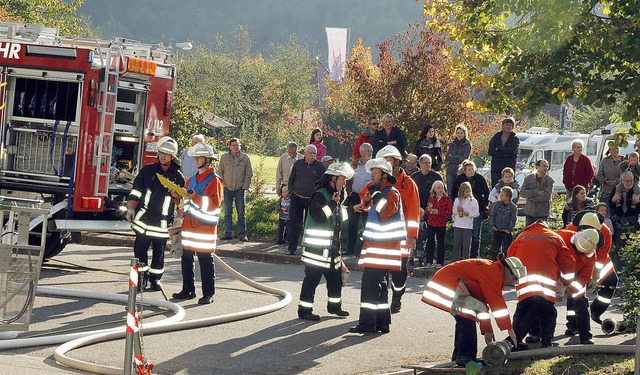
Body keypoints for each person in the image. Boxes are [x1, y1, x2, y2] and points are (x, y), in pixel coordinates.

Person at [421, 257, 525, 367]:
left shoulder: (493, 270)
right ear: (509, 272)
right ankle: (466, 358)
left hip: (450, 285)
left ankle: (459, 356)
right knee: (467, 317)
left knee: (465, 319)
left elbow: (482, 305)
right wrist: (508, 328)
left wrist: (487, 330)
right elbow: (497, 302)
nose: (513, 283)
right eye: (514, 279)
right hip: (447, 285)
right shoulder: (494, 273)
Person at [349, 158, 406, 334]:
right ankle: (382, 323)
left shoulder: (391, 193)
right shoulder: (381, 191)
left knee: (369, 285)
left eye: (375, 173)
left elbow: (386, 211)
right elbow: (371, 208)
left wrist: (375, 196)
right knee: (380, 286)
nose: (372, 176)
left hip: (384, 249)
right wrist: (366, 201)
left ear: (384, 175)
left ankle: (367, 324)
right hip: (379, 248)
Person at [126, 136, 185, 291]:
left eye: (166, 154)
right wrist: (131, 207)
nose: (162, 156)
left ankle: (155, 279)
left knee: (159, 254)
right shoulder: (148, 171)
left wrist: (179, 218)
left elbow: (182, 202)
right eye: (161, 153)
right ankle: (140, 279)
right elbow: (136, 190)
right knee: (139, 251)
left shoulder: (178, 177)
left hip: (162, 224)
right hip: (143, 221)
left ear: (172, 157)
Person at [297, 163, 354, 321]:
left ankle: (335, 307)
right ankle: (305, 310)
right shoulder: (320, 195)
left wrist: (352, 209)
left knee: (335, 279)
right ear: (333, 178)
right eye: (342, 179)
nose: (344, 183)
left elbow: (340, 217)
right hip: (317, 247)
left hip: (332, 247)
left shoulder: (335, 195)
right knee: (312, 279)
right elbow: (319, 216)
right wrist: (333, 203)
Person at [507, 220, 576, 348]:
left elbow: (510, 256)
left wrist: (513, 278)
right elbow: (567, 262)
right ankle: (546, 341)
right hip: (546, 284)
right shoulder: (554, 237)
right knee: (548, 312)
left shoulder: (521, 237)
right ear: (545, 225)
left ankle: (516, 342)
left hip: (524, 283)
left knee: (523, 309)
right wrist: (565, 282)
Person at [172, 142, 223, 305]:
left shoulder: (215, 181)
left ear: (208, 160)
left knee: (205, 261)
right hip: (188, 228)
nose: (195, 160)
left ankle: (208, 294)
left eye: (199, 157)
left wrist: (195, 197)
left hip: (204, 230)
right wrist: (177, 196)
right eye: (195, 157)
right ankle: (188, 290)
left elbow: (214, 205)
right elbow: (183, 204)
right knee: (186, 259)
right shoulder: (191, 179)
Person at [376, 145, 420, 314]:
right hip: (383, 235)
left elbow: (414, 211)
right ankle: (383, 300)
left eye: (388, 161)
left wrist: (411, 237)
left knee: (399, 271)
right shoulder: (380, 184)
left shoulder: (408, 183)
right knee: (382, 269)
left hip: (401, 236)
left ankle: (397, 297)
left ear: (397, 163)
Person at [566, 212, 618, 325]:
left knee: (611, 281)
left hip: (599, 261)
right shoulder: (571, 229)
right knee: (574, 289)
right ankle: (572, 323)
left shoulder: (605, 231)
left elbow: (602, 255)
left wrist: (595, 275)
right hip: (577, 261)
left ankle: (596, 311)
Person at [556, 228, 600, 345]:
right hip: (553, 273)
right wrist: (557, 283)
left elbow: (585, 277)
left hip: (576, 277)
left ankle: (585, 336)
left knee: (581, 302)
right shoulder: (562, 237)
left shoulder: (591, 255)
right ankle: (537, 334)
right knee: (542, 302)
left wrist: (569, 289)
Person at [287, 144, 325, 255]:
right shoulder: (298, 164)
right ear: (305, 154)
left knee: (310, 225)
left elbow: (322, 183)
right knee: (294, 224)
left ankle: (308, 248)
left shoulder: (320, 166)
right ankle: (292, 248)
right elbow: (291, 179)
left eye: (314, 153)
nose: (313, 155)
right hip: (297, 198)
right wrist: (290, 191)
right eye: (310, 153)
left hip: (312, 200)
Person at [452, 160, 490, 258]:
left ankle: (474, 256)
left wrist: (484, 205)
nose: (471, 171)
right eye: (469, 169)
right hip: (462, 209)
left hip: (477, 208)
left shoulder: (480, 178)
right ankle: (459, 257)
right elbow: (453, 192)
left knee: (476, 234)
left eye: (472, 169)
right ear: (464, 170)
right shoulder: (459, 179)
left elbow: (486, 192)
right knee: (461, 238)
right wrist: (457, 203)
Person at [218, 137, 253, 242]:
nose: (236, 147)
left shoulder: (245, 158)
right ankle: (228, 233)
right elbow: (220, 172)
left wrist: (244, 187)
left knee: (241, 212)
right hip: (227, 188)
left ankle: (242, 234)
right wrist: (223, 184)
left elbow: (249, 173)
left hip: (240, 189)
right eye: (233, 145)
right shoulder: (224, 158)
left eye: (237, 145)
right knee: (228, 211)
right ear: (229, 146)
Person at [411, 154, 443, 265]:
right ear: (420, 164)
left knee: (429, 235)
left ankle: (428, 258)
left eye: (429, 162)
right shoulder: (414, 176)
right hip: (416, 208)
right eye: (425, 162)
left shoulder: (436, 177)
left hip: (432, 210)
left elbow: (442, 194)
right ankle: (413, 256)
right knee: (416, 233)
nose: (428, 165)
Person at [345, 142, 373, 255]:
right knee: (352, 224)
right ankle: (350, 249)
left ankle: (365, 249)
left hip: (368, 198)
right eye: (367, 151)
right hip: (355, 196)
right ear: (361, 152)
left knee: (367, 223)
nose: (370, 153)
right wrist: (349, 191)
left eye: (371, 151)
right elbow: (347, 178)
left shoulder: (373, 165)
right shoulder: (354, 164)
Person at [424, 180, 452, 268]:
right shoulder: (431, 198)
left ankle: (440, 262)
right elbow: (426, 211)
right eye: (438, 187)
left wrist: (439, 212)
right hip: (431, 222)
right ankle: (429, 261)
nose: (441, 189)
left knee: (440, 242)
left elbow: (449, 212)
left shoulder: (447, 199)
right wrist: (429, 210)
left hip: (441, 223)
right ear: (434, 189)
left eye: (442, 187)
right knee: (430, 242)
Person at [608, 171, 640, 246]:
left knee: (632, 244)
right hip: (619, 220)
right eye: (626, 181)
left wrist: (638, 202)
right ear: (622, 181)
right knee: (619, 244)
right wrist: (613, 200)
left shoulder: (637, 191)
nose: (629, 183)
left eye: (631, 180)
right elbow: (610, 206)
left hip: (633, 221)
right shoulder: (616, 190)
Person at [520, 159, 554, 226]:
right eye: (543, 166)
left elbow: (547, 196)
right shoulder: (528, 179)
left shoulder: (549, 181)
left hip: (543, 213)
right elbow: (522, 193)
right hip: (530, 212)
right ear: (537, 167)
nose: (546, 168)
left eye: (547, 166)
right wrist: (537, 192)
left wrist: (531, 197)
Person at [488, 117, 520, 186]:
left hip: (508, 168)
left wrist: (500, 149)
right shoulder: (496, 137)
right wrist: (505, 152)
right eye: (507, 124)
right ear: (502, 126)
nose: (508, 126)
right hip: (496, 168)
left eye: (510, 125)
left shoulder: (515, 139)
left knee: (509, 188)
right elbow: (490, 151)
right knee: (496, 187)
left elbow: (512, 152)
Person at [451, 182, 479, 261]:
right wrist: (458, 209)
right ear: (462, 192)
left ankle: (465, 262)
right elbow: (454, 211)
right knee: (456, 245)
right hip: (457, 225)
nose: (468, 193)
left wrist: (469, 213)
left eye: (469, 191)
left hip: (468, 226)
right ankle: (455, 262)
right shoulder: (457, 200)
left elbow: (476, 213)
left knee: (466, 246)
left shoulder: (473, 201)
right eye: (466, 192)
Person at [490, 186, 517, 260]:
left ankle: (506, 265)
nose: (500, 196)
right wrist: (493, 225)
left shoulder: (513, 207)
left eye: (502, 195)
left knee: (507, 249)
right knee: (495, 249)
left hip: (506, 232)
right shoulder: (497, 204)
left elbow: (513, 219)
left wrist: (509, 229)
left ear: (508, 197)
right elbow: (493, 215)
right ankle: (494, 264)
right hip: (497, 230)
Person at [445, 124, 472, 198]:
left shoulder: (467, 144)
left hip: (461, 170)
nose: (459, 135)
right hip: (450, 169)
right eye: (457, 133)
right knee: (450, 191)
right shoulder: (452, 144)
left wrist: (453, 158)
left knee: (460, 190)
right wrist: (457, 157)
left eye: (461, 133)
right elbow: (447, 157)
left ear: (464, 133)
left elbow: (465, 158)